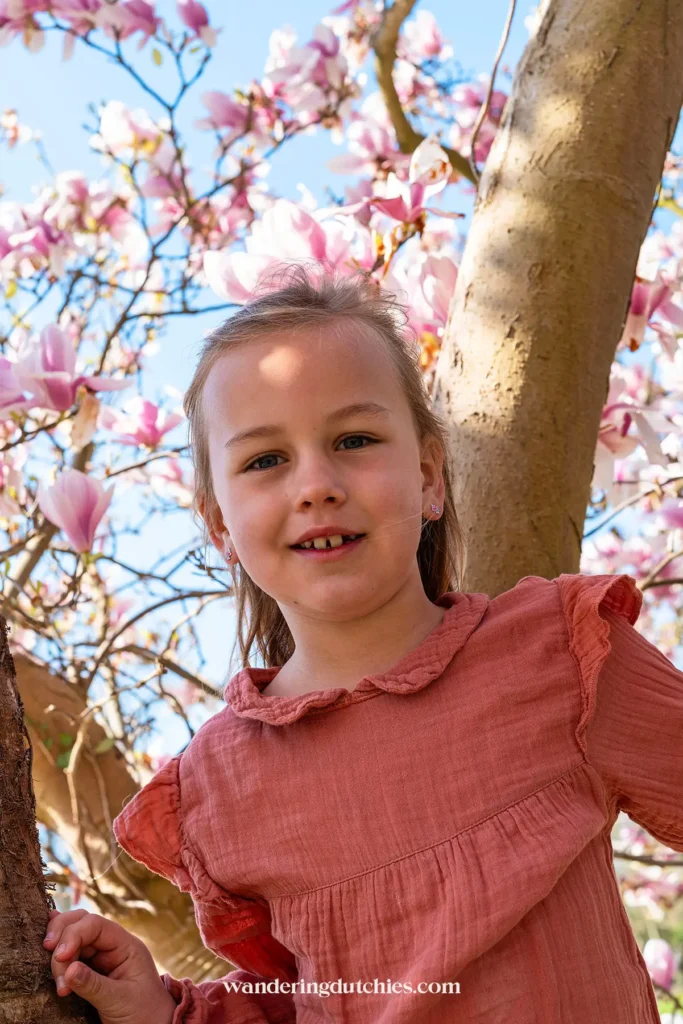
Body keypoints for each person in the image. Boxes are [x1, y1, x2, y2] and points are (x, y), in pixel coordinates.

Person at [43, 263, 683, 1023]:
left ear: (428, 477)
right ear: (220, 528)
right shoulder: (217, 788)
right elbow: (297, 1004)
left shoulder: (561, 653)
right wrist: (162, 1008)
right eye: (265, 460)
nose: (315, 483)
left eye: (353, 438)